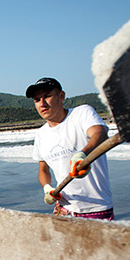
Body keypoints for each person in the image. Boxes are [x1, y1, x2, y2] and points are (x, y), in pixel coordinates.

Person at [27, 77, 114, 220]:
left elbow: (100, 134)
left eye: (47, 96)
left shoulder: (81, 114)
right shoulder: (41, 135)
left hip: (96, 207)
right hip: (64, 208)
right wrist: (47, 188)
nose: (42, 103)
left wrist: (83, 154)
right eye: (37, 100)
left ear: (61, 96)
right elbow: (43, 169)